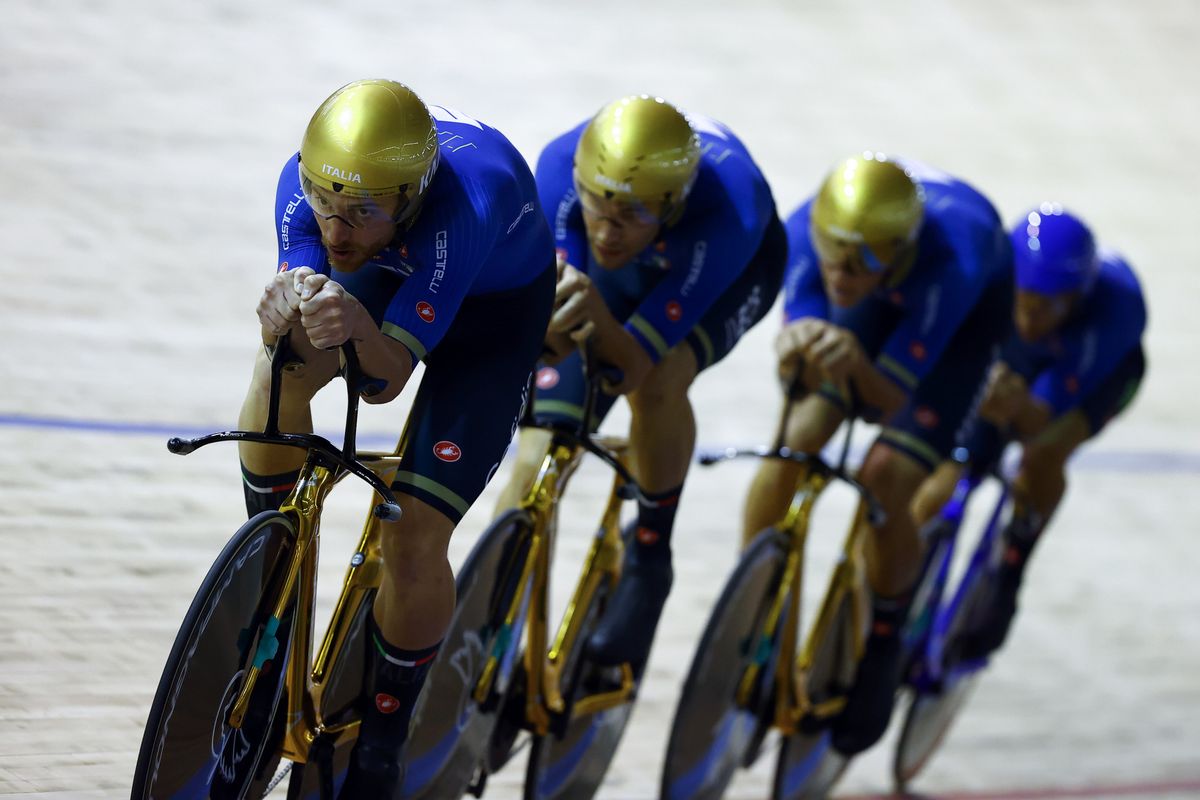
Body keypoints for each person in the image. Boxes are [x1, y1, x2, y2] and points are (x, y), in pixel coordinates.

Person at [237, 79, 555, 796]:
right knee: (282, 359)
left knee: (413, 533)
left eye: (361, 213)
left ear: (410, 199)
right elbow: (310, 301)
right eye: (326, 206)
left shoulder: (462, 210)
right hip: (396, 272)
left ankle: (388, 726)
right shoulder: (304, 186)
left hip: (492, 317)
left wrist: (354, 325)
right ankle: (271, 575)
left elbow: (382, 381)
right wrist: (287, 311)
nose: (336, 230)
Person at [493, 94, 786, 674]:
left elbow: (631, 368)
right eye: (596, 208)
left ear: (672, 202)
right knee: (538, 450)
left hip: (723, 274)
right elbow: (560, 307)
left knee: (659, 384)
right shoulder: (557, 169)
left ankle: (652, 553)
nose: (606, 230)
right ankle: (488, 604)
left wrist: (597, 320)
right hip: (625, 272)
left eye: (628, 215)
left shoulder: (729, 208)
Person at [743, 153, 1012, 755]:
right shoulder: (810, 236)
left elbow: (889, 400)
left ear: (898, 250)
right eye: (833, 251)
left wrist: (855, 359)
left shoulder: (954, 260)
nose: (841, 270)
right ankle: (753, 605)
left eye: (860, 258)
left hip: (959, 331)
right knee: (795, 439)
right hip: (885, 291)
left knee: (886, 476)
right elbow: (809, 340)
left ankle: (885, 637)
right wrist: (800, 345)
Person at [912, 204, 1147, 658]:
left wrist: (1000, 412)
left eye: (1046, 307)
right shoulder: (993, 272)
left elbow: (1037, 416)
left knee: (1042, 450)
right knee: (955, 449)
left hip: (1099, 371)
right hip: (1018, 355)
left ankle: (1014, 561)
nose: (1031, 317)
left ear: (1078, 295)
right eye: (1023, 301)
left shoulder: (1116, 308)